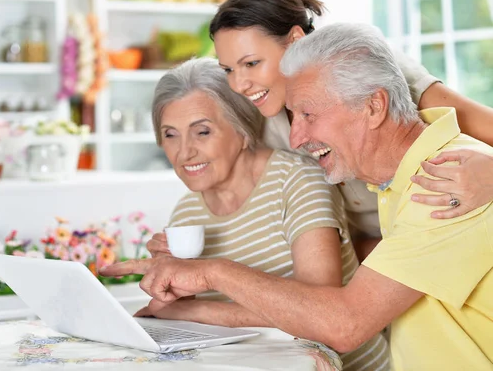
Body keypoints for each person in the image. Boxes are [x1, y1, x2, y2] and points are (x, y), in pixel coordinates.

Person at [100, 23, 493, 371]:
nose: (296, 138)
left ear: (374, 106)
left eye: (308, 114)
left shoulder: (445, 180)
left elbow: (345, 325)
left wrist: (210, 272)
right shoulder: (396, 179)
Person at [208, 0, 493, 258]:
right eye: (228, 70)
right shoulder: (261, 127)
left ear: (295, 40)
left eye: (251, 64)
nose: (239, 84)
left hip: (448, 236)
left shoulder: (366, 68)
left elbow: (485, 128)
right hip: (379, 257)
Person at [145, 57, 388, 371]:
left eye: (202, 132)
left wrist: (194, 312)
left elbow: (319, 312)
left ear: (242, 127)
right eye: (170, 135)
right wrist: (169, 289)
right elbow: (189, 318)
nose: (184, 152)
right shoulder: (187, 211)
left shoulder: (297, 181)